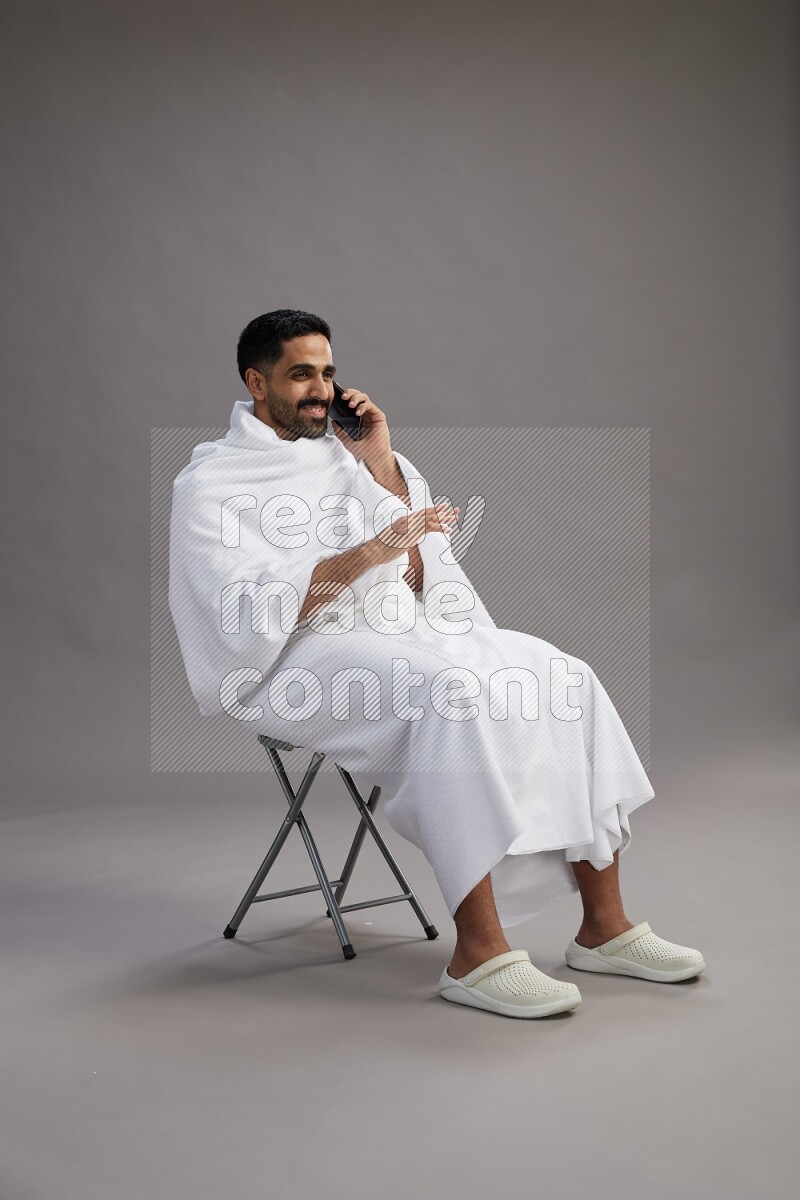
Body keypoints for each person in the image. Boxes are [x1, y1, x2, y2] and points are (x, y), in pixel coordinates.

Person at [168, 309, 705, 1020]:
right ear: (254, 381)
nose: (322, 389)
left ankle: (602, 928)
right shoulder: (212, 484)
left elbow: (426, 580)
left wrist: (382, 462)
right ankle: (476, 953)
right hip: (293, 660)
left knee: (563, 676)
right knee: (449, 692)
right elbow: (244, 618)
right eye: (301, 374)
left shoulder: (349, 456)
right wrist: (369, 553)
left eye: (327, 372)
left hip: (394, 629)